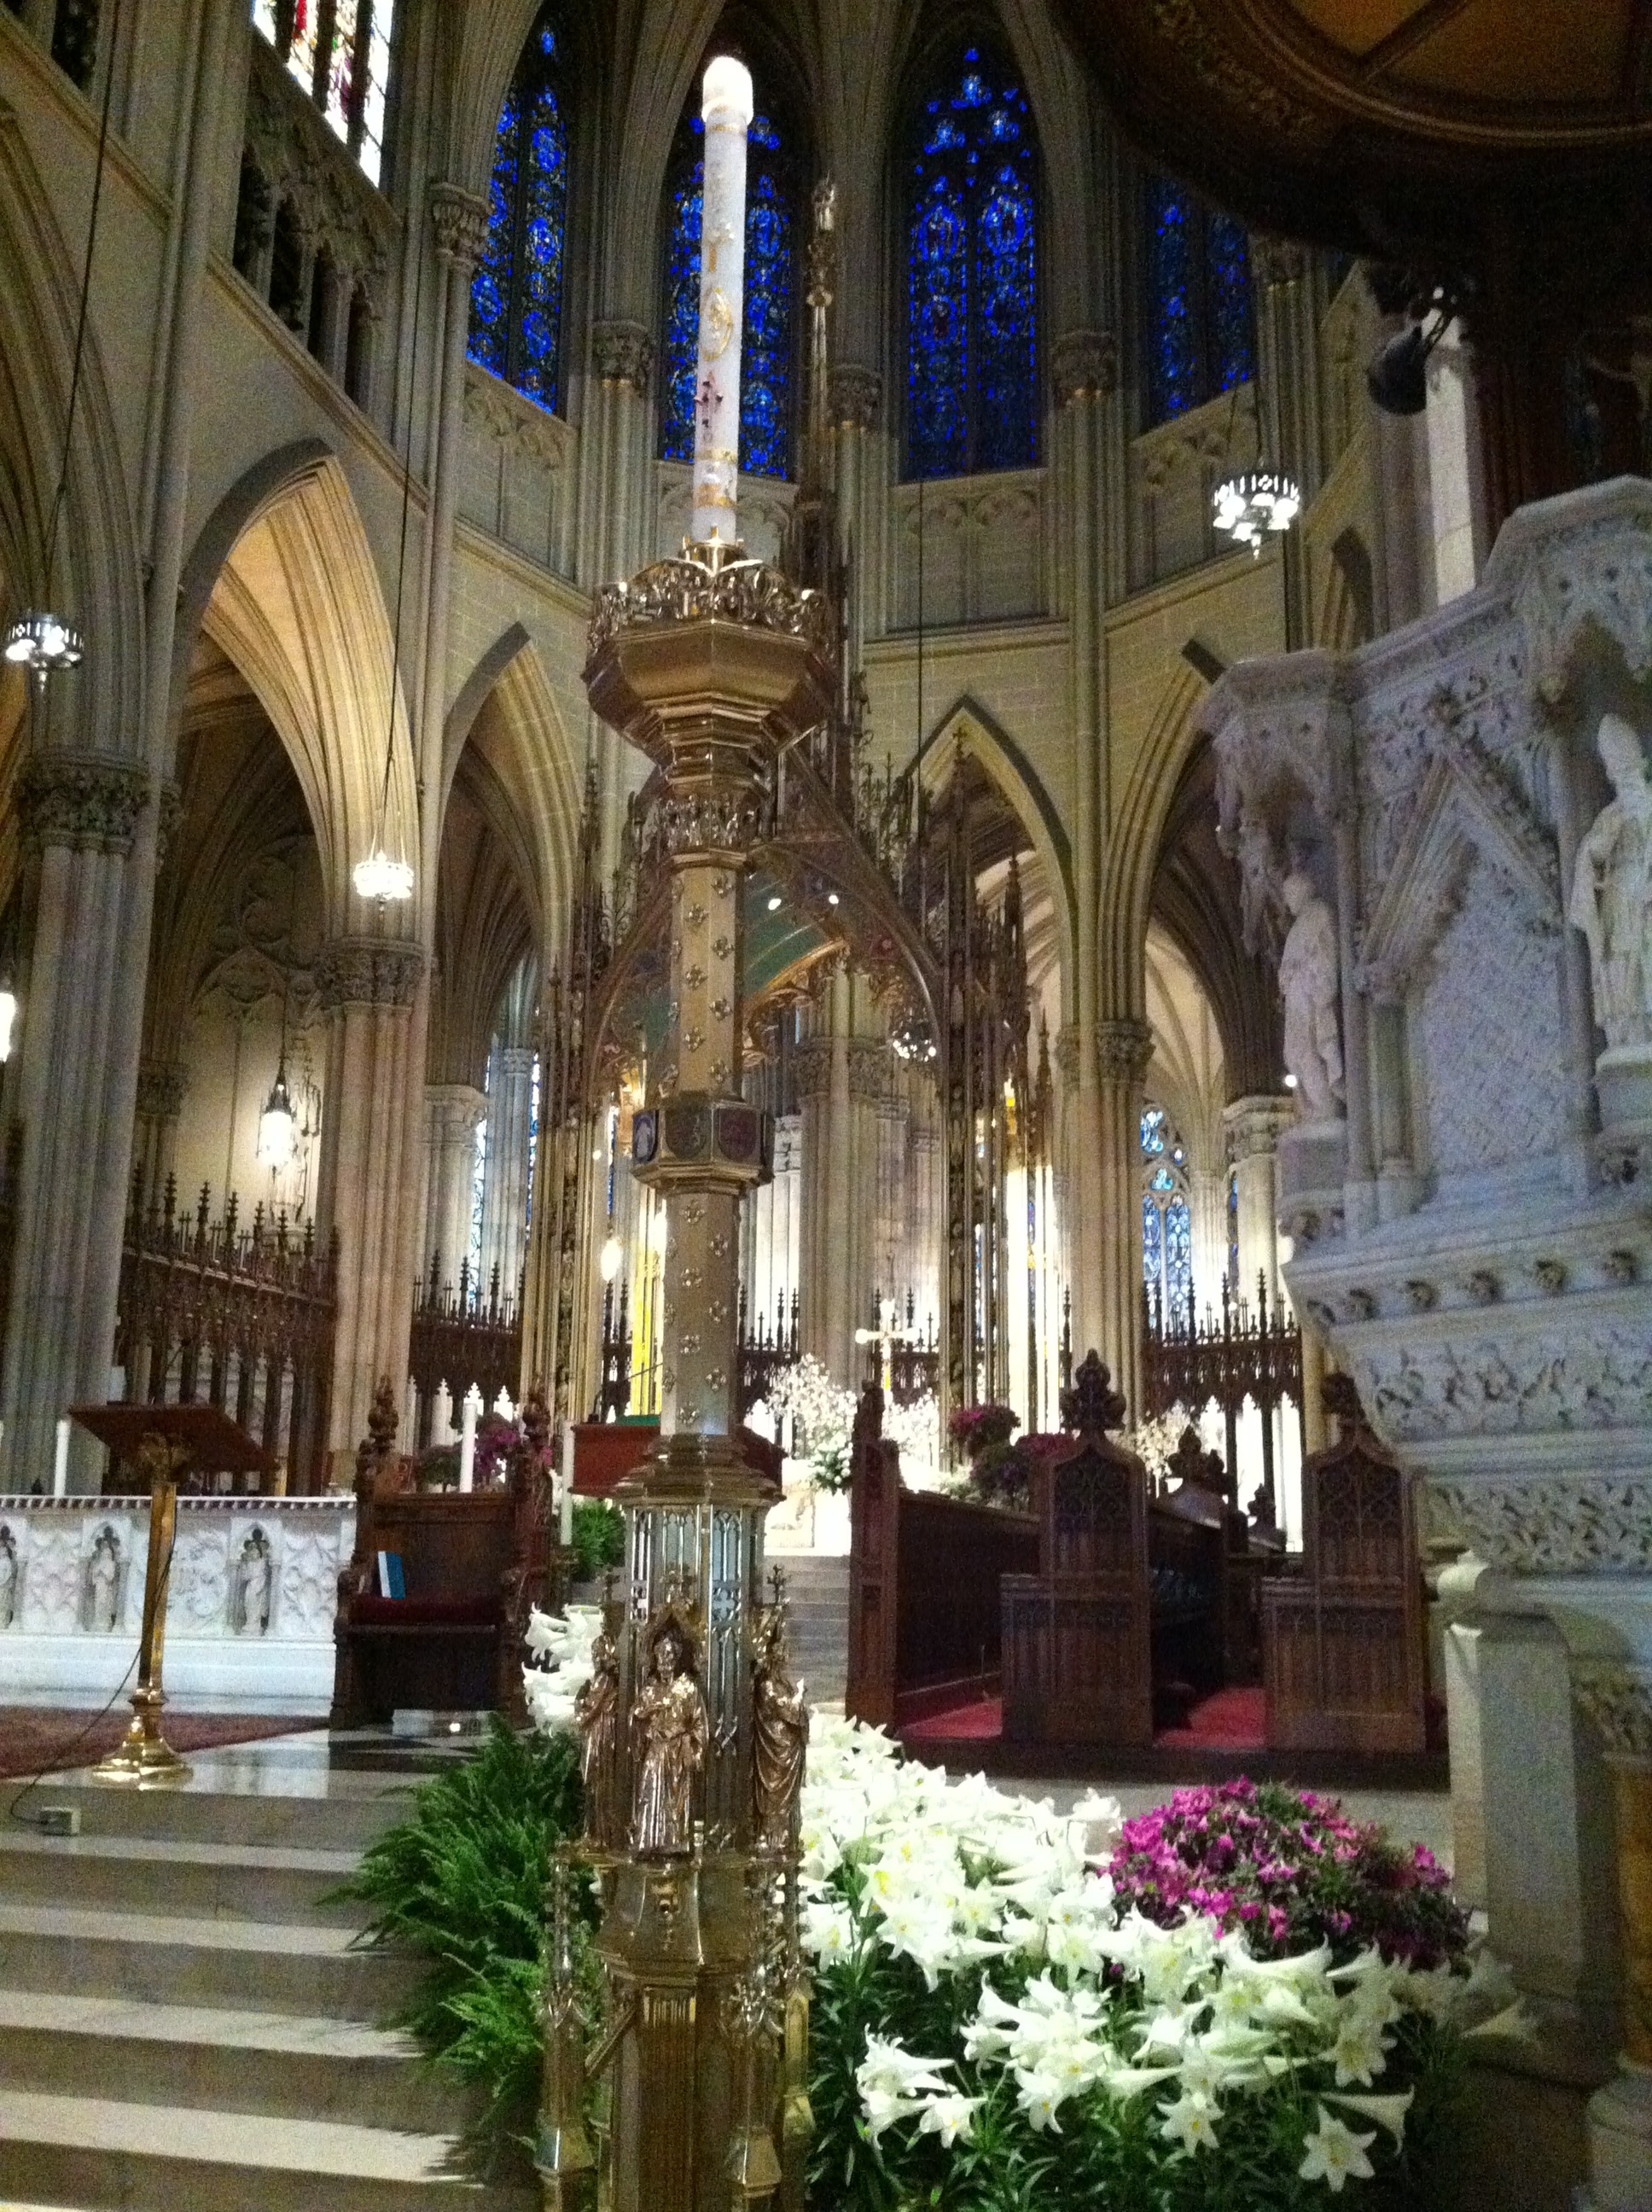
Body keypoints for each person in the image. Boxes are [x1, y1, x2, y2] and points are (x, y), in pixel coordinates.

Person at [1569, 713, 1652, 1051]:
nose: (1625, 777)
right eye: (1618, 772)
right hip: (1619, 902)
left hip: (1646, 896)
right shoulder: (1610, 816)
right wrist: (1600, 845)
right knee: (1621, 965)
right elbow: (1590, 859)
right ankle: (1630, 1031)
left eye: (1629, 768)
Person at [628, 1622, 708, 1856]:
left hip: (678, 1754)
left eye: (670, 1654)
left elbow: (700, 1725)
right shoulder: (649, 1691)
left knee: (675, 1801)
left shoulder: (688, 1689)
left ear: (677, 1657)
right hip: (655, 1751)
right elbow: (635, 1720)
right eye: (661, 1654)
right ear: (654, 1657)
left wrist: (686, 1740)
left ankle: (675, 1843)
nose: (665, 1659)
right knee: (650, 1791)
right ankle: (649, 1840)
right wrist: (645, 1722)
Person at [1278, 869, 1345, 1121]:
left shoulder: (1319, 914)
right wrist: (1287, 975)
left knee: (1311, 1050)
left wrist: (1301, 972)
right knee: (1295, 1055)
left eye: (1289, 895)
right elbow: (1287, 968)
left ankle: (1326, 1108)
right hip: (1297, 1002)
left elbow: (1326, 958)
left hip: (1310, 999)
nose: (1287, 902)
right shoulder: (1297, 927)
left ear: (1300, 891)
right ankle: (1315, 1110)